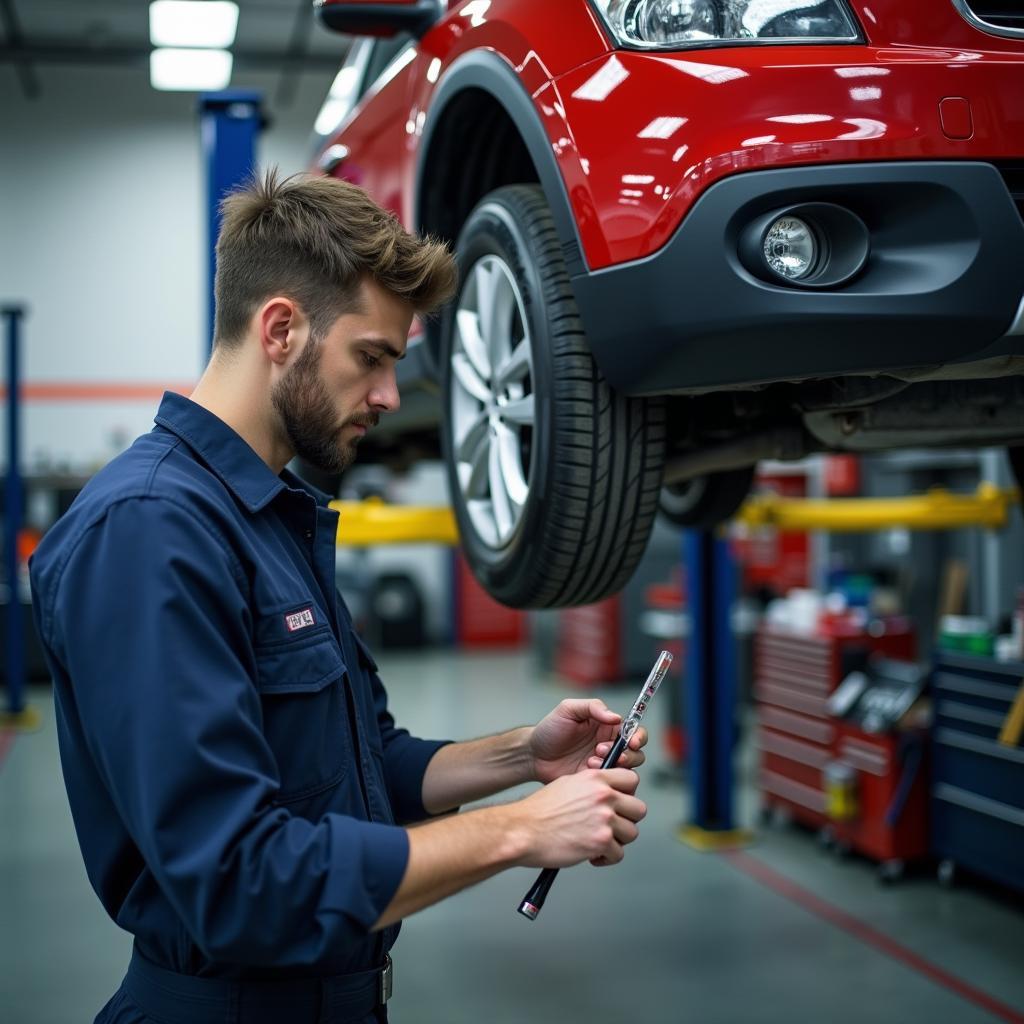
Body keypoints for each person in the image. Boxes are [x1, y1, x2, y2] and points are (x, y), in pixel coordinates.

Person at [28, 171, 648, 1024]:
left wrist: (521, 759)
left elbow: (363, 770)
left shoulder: (276, 519)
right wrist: (520, 831)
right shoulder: (149, 531)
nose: (391, 396)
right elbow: (240, 882)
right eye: (372, 358)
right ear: (280, 328)